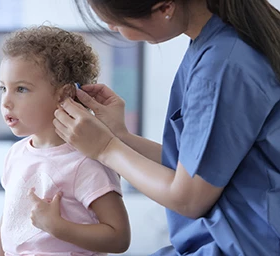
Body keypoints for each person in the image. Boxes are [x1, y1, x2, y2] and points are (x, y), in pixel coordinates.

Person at [53, 0, 280, 255]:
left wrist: (106, 149)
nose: (111, 26)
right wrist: (120, 137)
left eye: (115, 19)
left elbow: (188, 199)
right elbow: (197, 168)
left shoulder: (221, 65)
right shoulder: (218, 45)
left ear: (165, 7)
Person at [0, 25, 131, 256]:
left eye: (21, 89)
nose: (6, 101)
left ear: (64, 94)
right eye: (3, 88)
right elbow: (10, 222)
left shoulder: (87, 160)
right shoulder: (16, 154)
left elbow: (119, 238)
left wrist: (59, 228)